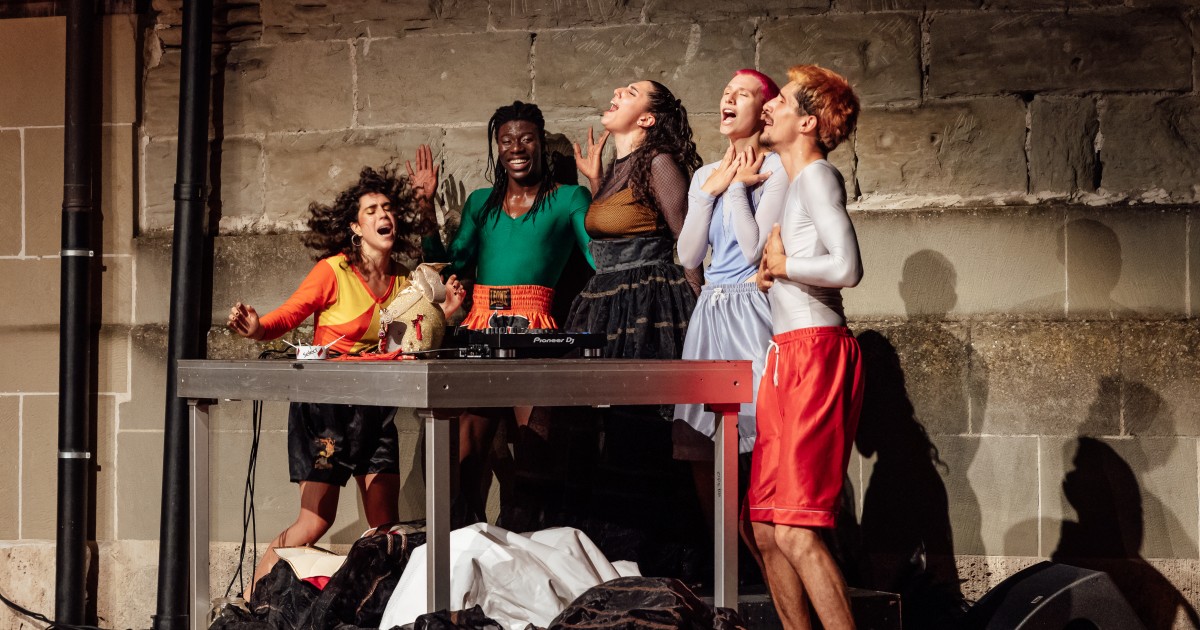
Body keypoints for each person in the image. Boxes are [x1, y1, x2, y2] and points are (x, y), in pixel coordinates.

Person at [226, 164, 466, 597]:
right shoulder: (333, 271)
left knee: (384, 529)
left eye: (388, 208)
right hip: (326, 412)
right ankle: (250, 603)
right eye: (371, 210)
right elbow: (289, 316)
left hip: (376, 411)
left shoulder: (403, 282)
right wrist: (258, 328)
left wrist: (441, 316)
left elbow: (408, 345)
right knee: (315, 522)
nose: (383, 215)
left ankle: (375, 612)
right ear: (356, 227)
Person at [417, 102, 594, 525]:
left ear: (541, 144)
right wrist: (425, 209)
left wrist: (599, 185)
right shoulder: (481, 203)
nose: (516, 147)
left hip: (535, 329)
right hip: (479, 327)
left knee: (535, 456)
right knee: (465, 457)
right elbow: (450, 267)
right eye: (506, 140)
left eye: (526, 138)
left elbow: (597, 256)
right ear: (497, 147)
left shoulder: (569, 197)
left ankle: (530, 544)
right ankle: (465, 544)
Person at [747, 64, 864, 630]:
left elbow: (847, 268)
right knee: (766, 529)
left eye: (783, 101)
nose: (769, 105)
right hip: (786, 354)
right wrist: (773, 273)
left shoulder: (819, 177)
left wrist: (785, 266)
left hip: (816, 354)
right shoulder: (794, 185)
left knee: (795, 528)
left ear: (808, 122)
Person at [672, 70, 787, 517]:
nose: (729, 99)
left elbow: (755, 247)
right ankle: (718, 545)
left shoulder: (777, 169)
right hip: (710, 311)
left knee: (761, 430)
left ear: (765, 110)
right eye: (726, 92)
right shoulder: (706, 173)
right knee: (700, 436)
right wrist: (708, 193)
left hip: (752, 309)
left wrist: (737, 188)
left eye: (742, 94)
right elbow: (688, 254)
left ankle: (763, 539)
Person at [567, 79, 703, 359]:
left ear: (646, 119)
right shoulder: (616, 169)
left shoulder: (658, 162)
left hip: (646, 297)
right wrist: (596, 180)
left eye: (631, 92)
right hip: (606, 294)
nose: (616, 91)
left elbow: (686, 236)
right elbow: (613, 227)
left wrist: (697, 303)